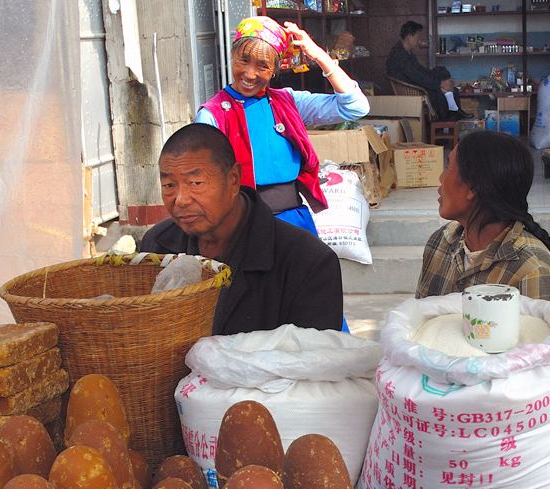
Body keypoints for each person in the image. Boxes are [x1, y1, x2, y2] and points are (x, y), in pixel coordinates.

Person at [140, 123, 344, 337]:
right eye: (169, 186)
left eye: (196, 183)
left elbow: (314, 362)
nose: (180, 200)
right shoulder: (156, 246)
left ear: (234, 179)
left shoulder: (307, 262)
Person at [195, 16, 369, 236]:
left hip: (294, 222)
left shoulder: (288, 102)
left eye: (262, 66)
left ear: (275, 69)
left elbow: (355, 107)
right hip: (242, 225)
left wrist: (319, 56)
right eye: (244, 60)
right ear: (232, 55)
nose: (250, 74)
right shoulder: (213, 114)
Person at [416, 130, 550, 309]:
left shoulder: (533, 272)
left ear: (472, 188)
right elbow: (419, 323)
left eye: (448, 167)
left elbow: (542, 337)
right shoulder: (440, 243)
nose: (441, 178)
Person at [385, 21, 466, 122]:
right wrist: (439, 84)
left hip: (418, 83)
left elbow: (421, 71)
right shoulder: (399, 55)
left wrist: (441, 81)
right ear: (410, 37)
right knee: (442, 93)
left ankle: (451, 103)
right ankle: (448, 119)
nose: (419, 41)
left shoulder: (408, 53)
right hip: (414, 91)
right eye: (418, 37)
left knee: (441, 71)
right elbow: (416, 76)